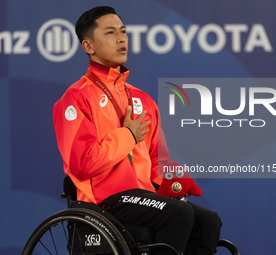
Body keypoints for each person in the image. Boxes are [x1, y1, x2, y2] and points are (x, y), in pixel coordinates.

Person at [53, 6, 221, 255]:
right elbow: (82, 164)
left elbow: (156, 159)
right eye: (110, 33)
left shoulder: (142, 99)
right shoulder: (76, 98)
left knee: (208, 221)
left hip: (142, 196)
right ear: (89, 47)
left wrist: (172, 185)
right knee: (178, 215)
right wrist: (128, 136)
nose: (121, 38)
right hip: (104, 200)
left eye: (123, 31)